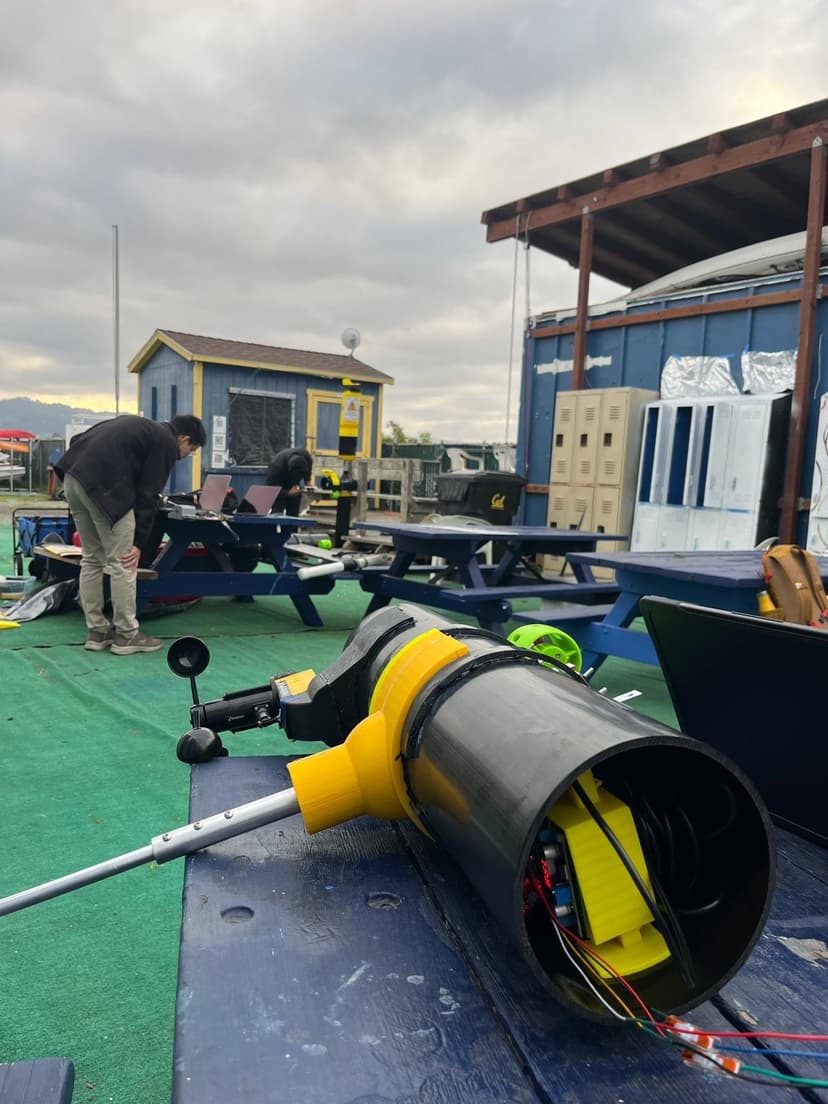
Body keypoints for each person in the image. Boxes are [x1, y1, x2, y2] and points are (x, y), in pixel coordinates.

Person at [56, 413, 207, 655]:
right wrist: (138, 543)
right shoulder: (165, 442)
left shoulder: (138, 427)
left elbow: (77, 439)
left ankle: (97, 632)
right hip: (104, 490)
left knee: (92, 559)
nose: (189, 455)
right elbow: (149, 493)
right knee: (123, 563)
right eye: (193, 449)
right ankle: (127, 635)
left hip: (73, 478)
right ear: (183, 438)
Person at [264, 446, 313, 517]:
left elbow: (308, 469)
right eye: (299, 474)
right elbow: (270, 490)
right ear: (290, 470)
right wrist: (288, 493)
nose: (300, 477)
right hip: (279, 487)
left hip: (294, 486)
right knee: (276, 514)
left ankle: (291, 527)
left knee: (293, 515)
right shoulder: (275, 468)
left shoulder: (306, 456)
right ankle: (273, 526)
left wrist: (307, 481)